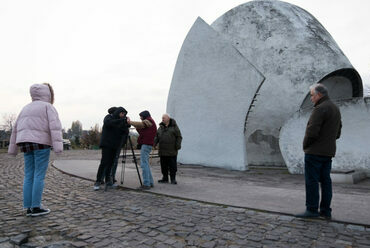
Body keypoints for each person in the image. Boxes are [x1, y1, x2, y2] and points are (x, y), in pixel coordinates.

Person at [8, 83, 63, 217]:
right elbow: (55, 127)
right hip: (41, 143)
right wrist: (58, 147)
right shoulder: (48, 107)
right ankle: (36, 207)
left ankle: (28, 207)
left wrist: (12, 149)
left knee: (29, 175)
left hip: (25, 143)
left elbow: (15, 129)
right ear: (47, 94)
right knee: (39, 175)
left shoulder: (25, 108)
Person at [295, 83, 342, 219]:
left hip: (314, 151)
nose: (311, 98)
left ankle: (312, 210)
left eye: (312, 95)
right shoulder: (335, 108)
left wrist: (306, 145)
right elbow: (338, 132)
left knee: (312, 181)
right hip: (328, 151)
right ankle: (326, 211)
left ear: (319, 95)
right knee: (326, 181)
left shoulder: (320, 108)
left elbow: (312, 131)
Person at [93, 107, 130, 190]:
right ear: (118, 112)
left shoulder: (120, 121)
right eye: (122, 113)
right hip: (107, 144)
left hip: (115, 145)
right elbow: (109, 123)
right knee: (104, 163)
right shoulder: (109, 117)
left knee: (111, 163)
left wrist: (127, 125)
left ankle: (108, 181)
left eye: (124, 114)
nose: (123, 115)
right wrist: (122, 121)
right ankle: (98, 181)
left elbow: (125, 132)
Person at [128, 110, 157, 190]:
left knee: (144, 164)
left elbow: (141, 124)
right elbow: (141, 129)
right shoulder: (150, 122)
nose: (140, 118)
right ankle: (150, 182)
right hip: (148, 144)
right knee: (146, 164)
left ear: (144, 116)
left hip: (146, 144)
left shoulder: (149, 121)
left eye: (141, 116)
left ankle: (146, 184)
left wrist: (129, 122)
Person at [154, 114, 182, 184]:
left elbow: (179, 137)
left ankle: (173, 179)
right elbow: (157, 136)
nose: (162, 119)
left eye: (164, 118)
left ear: (168, 119)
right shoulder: (160, 127)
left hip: (172, 150)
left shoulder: (174, 127)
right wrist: (154, 143)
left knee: (172, 166)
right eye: (162, 118)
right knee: (163, 165)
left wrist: (177, 146)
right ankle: (165, 178)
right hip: (162, 150)